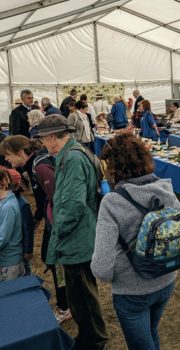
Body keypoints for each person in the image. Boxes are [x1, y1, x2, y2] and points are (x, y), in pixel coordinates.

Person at [91, 133, 180, 350]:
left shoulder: (111, 202)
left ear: (112, 167)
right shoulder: (164, 189)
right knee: (150, 334)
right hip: (166, 278)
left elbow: (101, 269)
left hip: (132, 291)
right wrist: (165, 253)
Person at [36, 115, 108, 349]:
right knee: (80, 292)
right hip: (81, 231)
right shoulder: (74, 152)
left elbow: (73, 204)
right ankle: (89, 336)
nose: (42, 143)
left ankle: (93, 340)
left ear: (54, 136)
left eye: (43, 139)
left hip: (78, 235)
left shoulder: (73, 158)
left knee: (82, 294)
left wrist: (60, 230)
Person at [32, 142, 71, 323]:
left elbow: (57, 198)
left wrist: (57, 225)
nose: (7, 159)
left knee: (57, 264)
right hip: (54, 224)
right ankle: (65, 303)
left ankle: (65, 305)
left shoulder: (41, 167)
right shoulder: (41, 163)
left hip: (57, 226)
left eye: (8, 155)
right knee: (55, 263)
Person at [0, 136, 47, 224]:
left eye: (8, 154)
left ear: (20, 153)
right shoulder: (31, 165)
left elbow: (50, 195)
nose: (6, 159)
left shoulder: (39, 166)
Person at [7, 169, 34, 276]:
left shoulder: (22, 205)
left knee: (24, 273)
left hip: (21, 250)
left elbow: (28, 228)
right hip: (13, 250)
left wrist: (28, 250)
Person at [0, 168, 24, 282]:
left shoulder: (7, 207)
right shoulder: (5, 202)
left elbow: (2, 239)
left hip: (9, 263)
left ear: (3, 182)